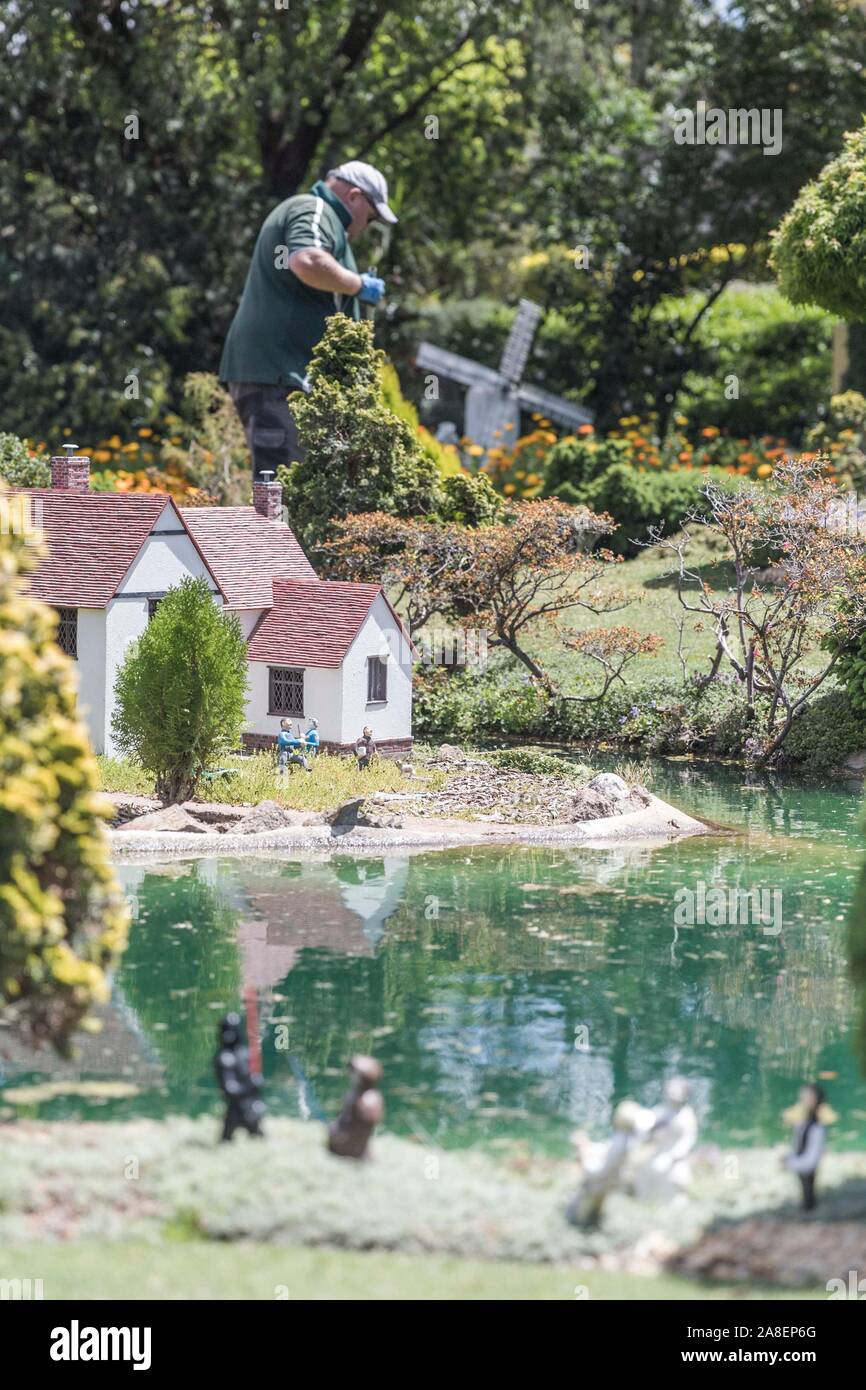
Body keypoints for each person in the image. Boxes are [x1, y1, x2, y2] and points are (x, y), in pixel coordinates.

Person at [219, 160, 397, 480]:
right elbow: (307, 260)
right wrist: (358, 285)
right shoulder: (314, 209)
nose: (364, 228)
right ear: (354, 196)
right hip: (278, 378)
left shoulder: (323, 219)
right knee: (282, 493)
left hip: (280, 378)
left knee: (293, 490)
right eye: (369, 218)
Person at [783, 1082, 834, 1210]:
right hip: (800, 1166)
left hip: (804, 1167)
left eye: (806, 1098)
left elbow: (811, 1160)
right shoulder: (803, 1125)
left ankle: (809, 1208)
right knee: (805, 1192)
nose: (802, 1101)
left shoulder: (816, 1128)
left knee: (808, 1193)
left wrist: (789, 1163)